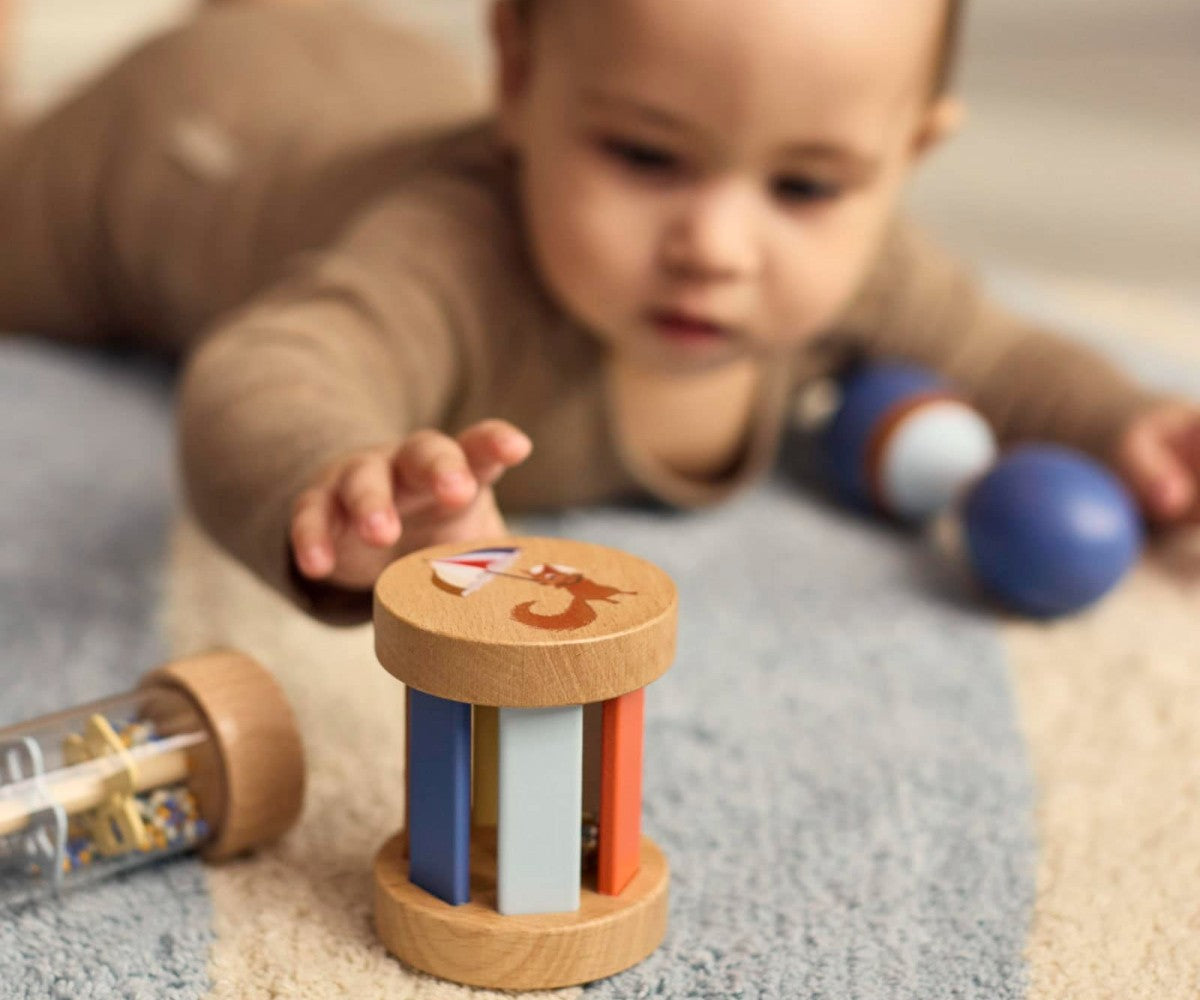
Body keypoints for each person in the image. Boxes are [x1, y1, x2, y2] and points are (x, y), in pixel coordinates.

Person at [1, 0, 1196, 623]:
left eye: (805, 186)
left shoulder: (866, 262)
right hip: (175, 150)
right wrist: (339, 474)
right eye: (643, 155)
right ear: (518, 81)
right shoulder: (453, 250)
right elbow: (270, 365)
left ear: (904, 160)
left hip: (348, 68)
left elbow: (994, 349)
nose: (717, 248)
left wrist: (1125, 424)